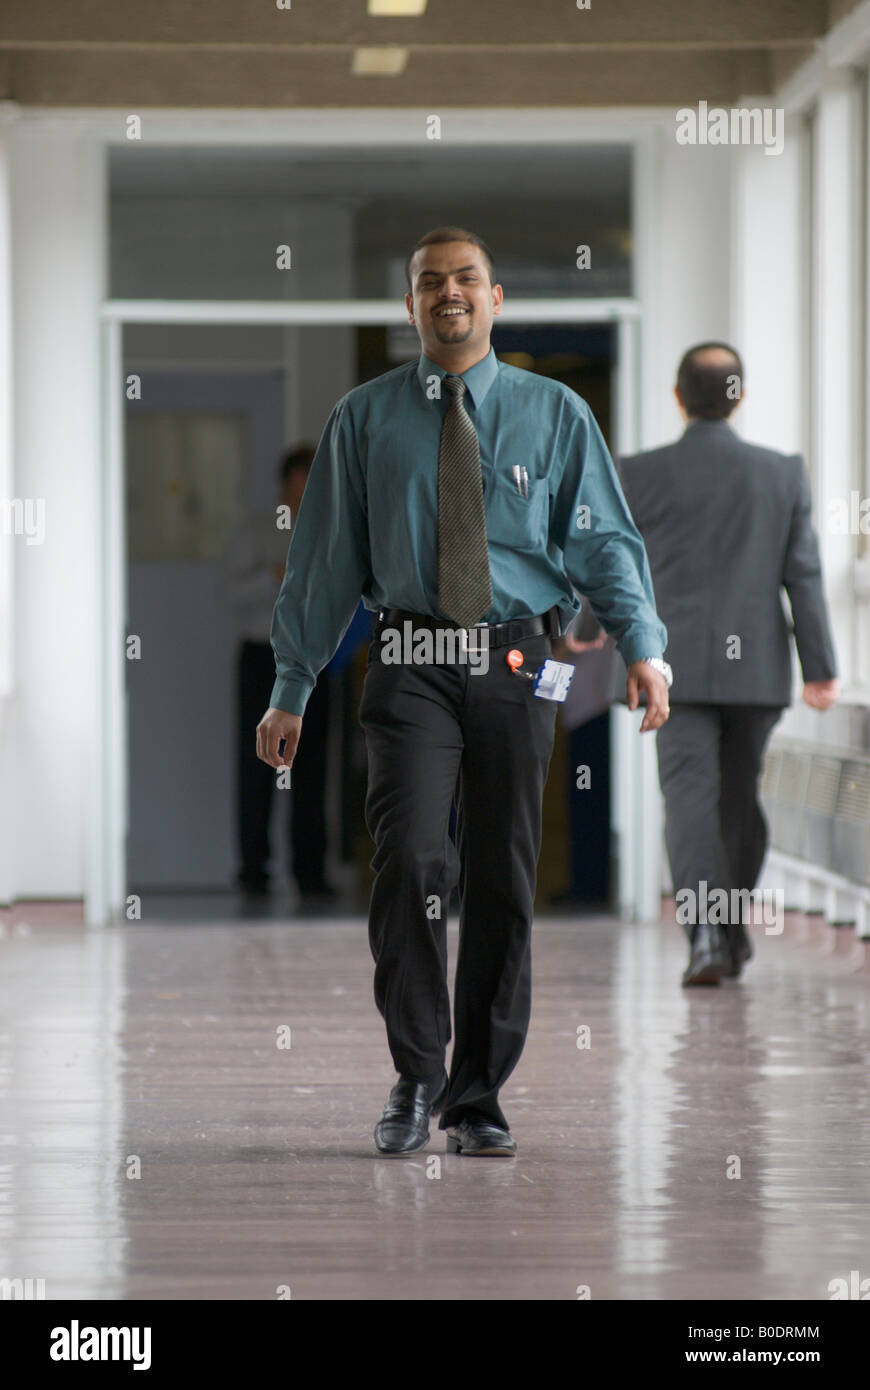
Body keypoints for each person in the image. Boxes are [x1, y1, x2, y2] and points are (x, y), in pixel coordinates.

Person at [257, 226, 670, 1157]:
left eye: (467, 280)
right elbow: (323, 565)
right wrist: (292, 687)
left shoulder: (554, 411)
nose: (450, 293)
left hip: (525, 661)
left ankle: (478, 1096)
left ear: (494, 300)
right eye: (430, 282)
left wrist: (643, 645)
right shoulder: (363, 419)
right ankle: (418, 1073)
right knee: (409, 858)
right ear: (410, 306)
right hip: (406, 660)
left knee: (503, 874)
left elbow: (604, 541)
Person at [615, 343, 839, 987]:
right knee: (738, 803)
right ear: (738, 397)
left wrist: (585, 632)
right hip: (756, 671)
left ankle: (711, 935)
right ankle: (725, 929)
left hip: (667, 667)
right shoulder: (782, 473)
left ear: (678, 396)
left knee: (688, 800)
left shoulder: (639, 471)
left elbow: (614, 560)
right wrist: (819, 665)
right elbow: (804, 575)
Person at [226, 445, 335, 906]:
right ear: (286, 481)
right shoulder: (255, 529)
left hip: (314, 657)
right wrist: (276, 575)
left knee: (313, 767)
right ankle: (254, 872)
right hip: (262, 656)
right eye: (303, 476)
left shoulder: (332, 530)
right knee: (257, 765)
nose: (309, 486)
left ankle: (310, 873)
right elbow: (230, 592)